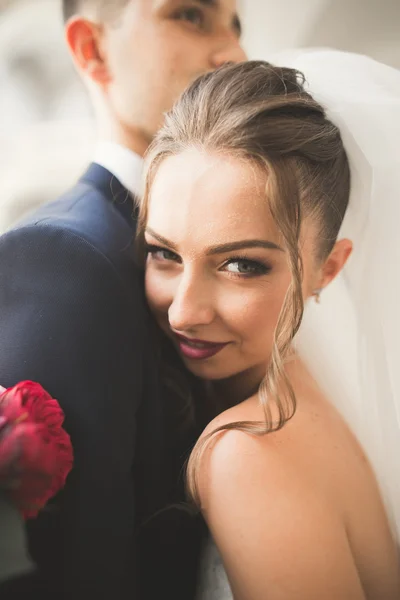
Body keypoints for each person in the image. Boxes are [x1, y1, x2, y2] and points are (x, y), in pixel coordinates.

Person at [0, 1, 245, 599]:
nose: (233, 54)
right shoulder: (61, 259)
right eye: (190, 15)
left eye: (238, 27)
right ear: (91, 48)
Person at [138, 53, 400, 599]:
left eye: (240, 265)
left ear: (329, 268)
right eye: (164, 253)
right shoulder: (314, 402)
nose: (184, 311)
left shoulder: (246, 453)